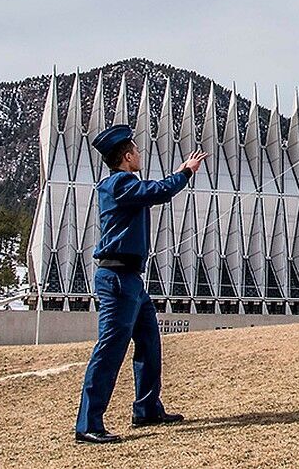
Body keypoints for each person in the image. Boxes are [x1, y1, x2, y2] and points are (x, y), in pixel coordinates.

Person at [75, 124, 207, 445]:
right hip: (118, 279)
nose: (140, 155)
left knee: (149, 340)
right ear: (127, 155)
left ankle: (146, 408)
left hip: (130, 279)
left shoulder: (123, 184)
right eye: (137, 151)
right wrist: (185, 173)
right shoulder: (119, 184)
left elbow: (151, 192)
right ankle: (88, 424)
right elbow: (156, 193)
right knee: (109, 349)